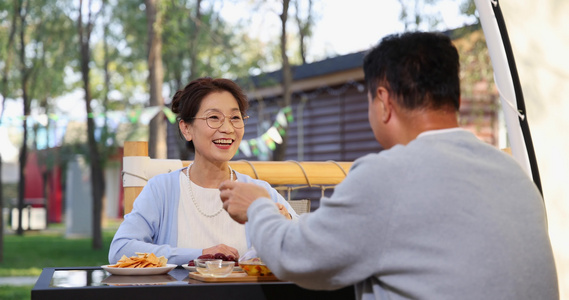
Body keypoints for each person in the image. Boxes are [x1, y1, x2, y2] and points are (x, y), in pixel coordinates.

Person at [219, 32, 559, 299]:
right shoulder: (513, 172)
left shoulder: (388, 175)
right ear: (454, 98)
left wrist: (258, 206)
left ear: (383, 101)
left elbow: (295, 257)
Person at [109, 77, 298, 265]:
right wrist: (200, 255)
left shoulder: (258, 191)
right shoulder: (162, 189)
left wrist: (286, 222)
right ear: (186, 129)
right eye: (214, 118)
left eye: (235, 118)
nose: (227, 128)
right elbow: (120, 250)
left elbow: (306, 245)